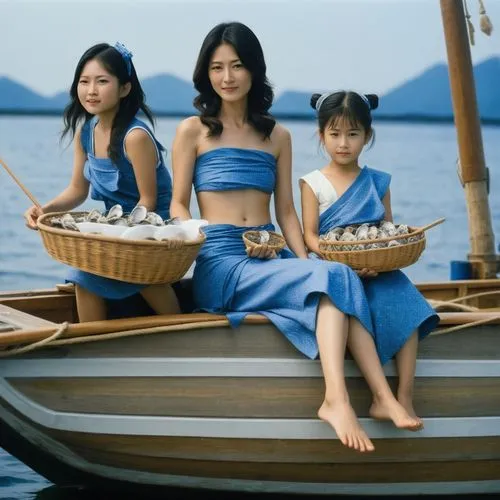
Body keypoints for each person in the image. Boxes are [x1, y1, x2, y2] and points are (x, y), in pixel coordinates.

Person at [170, 22, 426, 452]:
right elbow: (177, 204)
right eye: (217, 68)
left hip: (271, 250)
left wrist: (306, 259)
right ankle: (337, 400)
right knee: (334, 280)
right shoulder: (193, 130)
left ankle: (383, 398)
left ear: (254, 70)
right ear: (206, 74)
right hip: (221, 258)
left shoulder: (278, 135)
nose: (227, 77)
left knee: (334, 276)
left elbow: (286, 211)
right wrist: (198, 231)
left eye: (237, 65)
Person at [300, 90, 440, 425]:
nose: (343, 143)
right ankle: (382, 397)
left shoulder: (378, 182)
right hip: (334, 265)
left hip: (376, 266)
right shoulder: (312, 182)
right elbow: (309, 235)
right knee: (348, 304)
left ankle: (404, 396)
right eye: (334, 134)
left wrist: (380, 257)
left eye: (353, 134)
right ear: (322, 136)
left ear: (367, 136)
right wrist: (341, 260)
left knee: (407, 301)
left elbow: (385, 231)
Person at [24, 42, 179, 322]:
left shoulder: (135, 137)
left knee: (141, 276)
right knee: (83, 272)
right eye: (84, 81)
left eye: (102, 81)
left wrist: (120, 233)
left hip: (152, 226)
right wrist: (44, 210)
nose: (91, 90)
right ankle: (93, 342)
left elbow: (149, 201)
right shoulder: (87, 132)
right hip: (113, 226)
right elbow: (76, 190)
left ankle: (181, 326)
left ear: (124, 88)